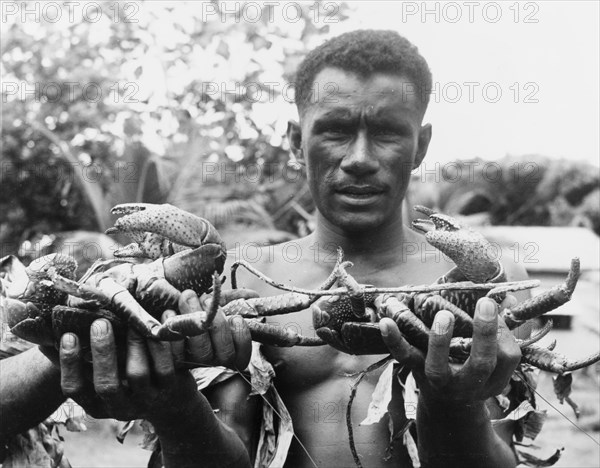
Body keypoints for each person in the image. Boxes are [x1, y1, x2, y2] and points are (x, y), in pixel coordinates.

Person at [1, 30, 534, 468]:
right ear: (293, 140)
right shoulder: (236, 278)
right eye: (335, 130)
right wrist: (176, 406)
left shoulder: (481, 284)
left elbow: (497, 457)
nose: (360, 158)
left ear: (422, 145)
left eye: (389, 132)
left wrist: (451, 400)